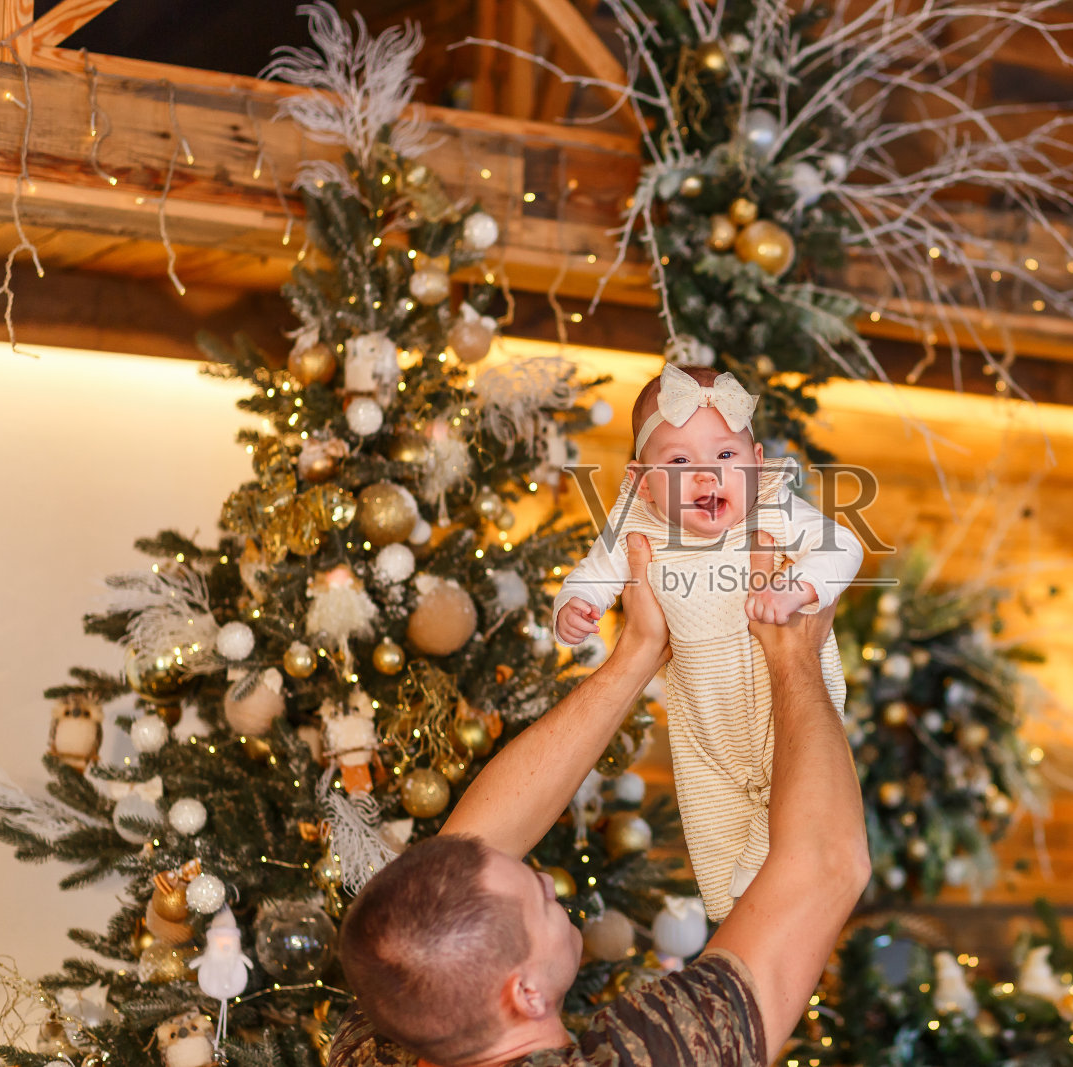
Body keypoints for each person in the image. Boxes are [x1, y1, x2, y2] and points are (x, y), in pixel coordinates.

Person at [329, 530, 871, 1067]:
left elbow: (455, 875)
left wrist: (637, 653)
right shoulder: (644, 1056)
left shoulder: (387, 1037)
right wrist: (795, 657)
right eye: (540, 901)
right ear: (525, 995)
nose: (546, 880)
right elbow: (826, 864)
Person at [551, 363, 863, 919]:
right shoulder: (636, 525)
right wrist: (575, 607)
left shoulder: (771, 506)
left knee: (789, 807)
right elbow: (591, 575)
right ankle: (729, 912)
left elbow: (843, 546)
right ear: (641, 481)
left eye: (725, 456)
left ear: (757, 462)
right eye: (679, 462)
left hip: (783, 703)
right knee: (715, 851)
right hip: (702, 721)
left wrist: (797, 588)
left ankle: (761, 899)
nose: (706, 477)